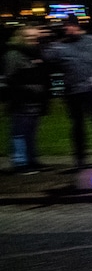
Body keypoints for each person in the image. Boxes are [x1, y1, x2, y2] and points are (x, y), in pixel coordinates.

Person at [45, 15, 92, 167]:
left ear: (77, 26)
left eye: (69, 25)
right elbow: (47, 59)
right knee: (77, 126)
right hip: (74, 92)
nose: (67, 29)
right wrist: (49, 39)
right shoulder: (59, 46)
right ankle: (80, 159)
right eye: (65, 26)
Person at [3, 24, 51, 173]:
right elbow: (11, 79)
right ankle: (21, 163)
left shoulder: (35, 53)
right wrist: (29, 88)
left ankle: (31, 159)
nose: (33, 40)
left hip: (34, 101)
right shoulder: (14, 55)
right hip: (21, 101)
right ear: (21, 38)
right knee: (20, 132)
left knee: (30, 132)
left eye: (35, 37)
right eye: (29, 37)